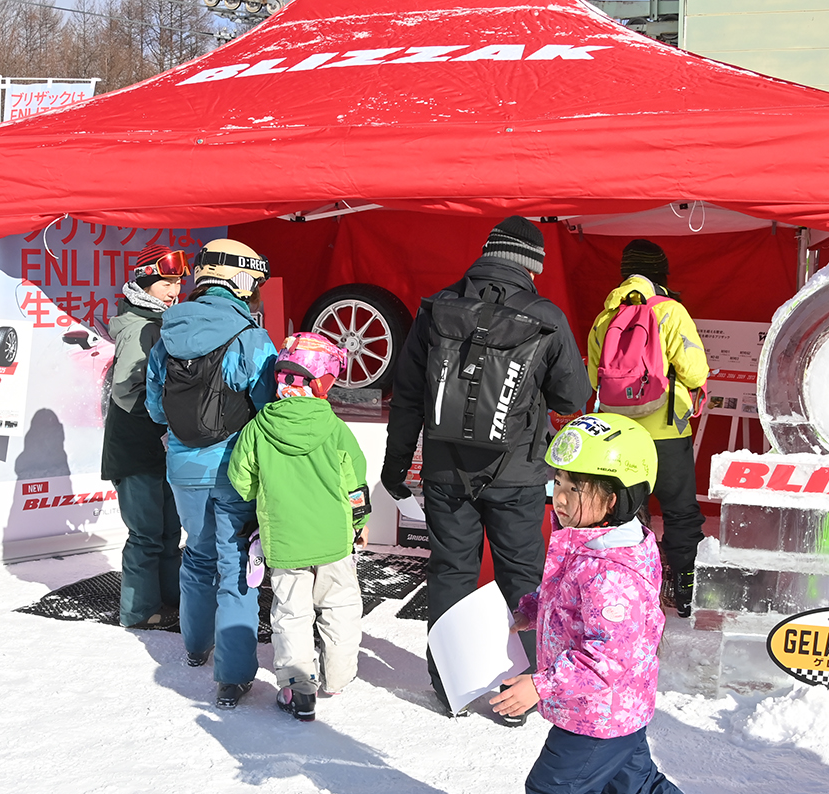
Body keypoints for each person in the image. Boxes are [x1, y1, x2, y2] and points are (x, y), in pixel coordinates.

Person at [489, 413, 737, 794]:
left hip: (595, 714)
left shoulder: (612, 571)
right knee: (634, 787)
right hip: (619, 710)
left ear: (616, 496)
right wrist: (535, 609)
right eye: (557, 483)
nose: (557, 496)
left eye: (573, 487)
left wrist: (539, 685)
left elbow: (607, 659)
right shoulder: (600, 543)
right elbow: (574, 603)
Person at [381, 216, 591, 721]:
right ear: (532, 266)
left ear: (486, 252)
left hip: (445, 471)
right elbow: (573, 395)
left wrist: (395, 466)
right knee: (523, 577)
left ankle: (448, 685)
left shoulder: (437, 308)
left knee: (451, 572)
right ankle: (524, 692)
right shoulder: (545, 316)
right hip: (516, 472)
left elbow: (408, 397)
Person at [146, 238, 278, 709]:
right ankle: (234, 675)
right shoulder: (250, 337)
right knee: (236, 566)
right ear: (242, 281)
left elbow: (156, 409)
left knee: (197, 555)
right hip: (236, 468)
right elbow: (268, 407)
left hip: (183, 468)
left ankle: (195, 647)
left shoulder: (168, 332)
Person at [229, 332, 369, 723]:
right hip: (333, 542)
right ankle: (338, 676)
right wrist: (360, 522)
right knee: (340, 605)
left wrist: (267, 497)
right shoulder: (336, 428)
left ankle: (297, 688)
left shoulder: (258, 429)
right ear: (323, 382)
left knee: (291, 613)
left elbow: (242, 481)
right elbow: (355, 483)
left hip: (286, 542)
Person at [586, 239, 709, 618]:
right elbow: (695, 371)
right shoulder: (672, 312)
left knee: (625, 513)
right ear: (661, 273)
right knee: (680, 512)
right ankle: (683, 591)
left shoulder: (605, 317)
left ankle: (630, 593)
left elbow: (595, 378)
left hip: (620, 436)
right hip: (667, 432)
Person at [101, 244, 190, 629]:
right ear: (145, 282)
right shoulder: (141, 326)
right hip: (138, 446)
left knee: (170, 530)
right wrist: (167, 412)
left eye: (177, 284)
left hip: (161, 445)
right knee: (147, 534)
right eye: (166, 283)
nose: (174, 291)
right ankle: (137, 611)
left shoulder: (158, 320)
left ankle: (171, 595)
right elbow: (126, 390)